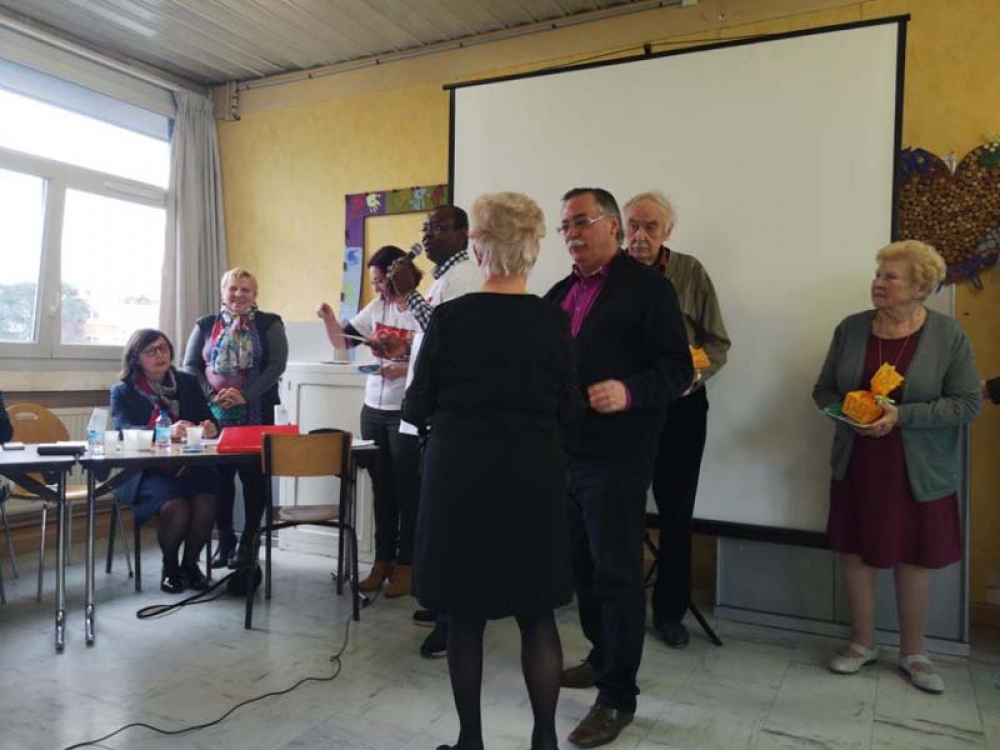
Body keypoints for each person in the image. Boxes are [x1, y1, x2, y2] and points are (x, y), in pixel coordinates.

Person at [403, 191, 580, 750]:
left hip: (460, 477)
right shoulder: (554, 321)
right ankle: (545, 740)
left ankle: (471, 742)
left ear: (477, 250)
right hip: (534, 477)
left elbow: (415, 406)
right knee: (537, 615)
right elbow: (570, 408)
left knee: (465, 616)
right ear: (533, 251)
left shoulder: (450, 319)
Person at [543, 187, 692, 747]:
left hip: (618, 455)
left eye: (581, 221)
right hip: (563, 452)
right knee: (580, 567)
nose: (572, 233)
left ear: (612, 225)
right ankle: (601, 656)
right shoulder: (559, 293)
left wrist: (629, 392)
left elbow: (678, 369)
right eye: (564, 225)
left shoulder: (648, 288)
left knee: (616, 574)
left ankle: (617, 696)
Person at [813, 239, 980, 694]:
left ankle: (914, 653)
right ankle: (861, 644)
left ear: (920, 287)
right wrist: (850, 414)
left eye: (890, 277)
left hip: (918, 469)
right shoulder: (851, 329)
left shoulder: (948, 335)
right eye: (878, 274)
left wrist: (900, 417)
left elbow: (967, 403)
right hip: (859, 461)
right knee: (856, 553)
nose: (878, 283)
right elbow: (823, 390)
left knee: (914, 557)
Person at [622, 191, 731, 648]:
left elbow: (717, 342)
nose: (639, 236)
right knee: (619, 507)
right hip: (624, 407)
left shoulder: (690, 272)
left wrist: (690, 378)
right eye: (633, 225)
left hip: (680, 406)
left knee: (676, 510)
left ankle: (669, 611)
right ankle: (620, 605)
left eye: (651, 226)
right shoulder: (609, 274)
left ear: (668, 231)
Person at [388, 204, 482, 658]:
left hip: (447, 417)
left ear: (464, 233)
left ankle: (451, 619)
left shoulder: (464, 276)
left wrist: (409, 294)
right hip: (428, 412)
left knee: (447, 520)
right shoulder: (445, 277)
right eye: (425, 228)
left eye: (440, 228)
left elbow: (448, 337)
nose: (428, 235)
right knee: (431, 513)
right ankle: (442, 602)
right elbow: (428, 335)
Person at [316, 245, 421, 598]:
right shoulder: (376, 308)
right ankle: (382, 561)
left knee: (408, 489)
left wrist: (402, 369)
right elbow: (342, 342)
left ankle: (407, 564)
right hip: (373, 410)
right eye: (373, 281)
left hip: (405, 411)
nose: (376, 287)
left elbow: (432, 357)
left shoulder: (421, 309)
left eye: (380, 280)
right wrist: (329, 318)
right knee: (382, 489)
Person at [182, 268, 287, 570]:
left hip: (257, 412)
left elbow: (276, 365)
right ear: (223, 292)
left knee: (254, 479)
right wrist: (211, 396)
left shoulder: (270, 323)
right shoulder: (205, 324)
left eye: (245, 289)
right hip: (214, 416)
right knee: (220, 480)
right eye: (233, 288)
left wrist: (245, 395)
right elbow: (190, 365)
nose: (238, 294)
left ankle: (249, 542)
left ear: (255, 295)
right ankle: (225, 540)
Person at [111, 329, 220, 594]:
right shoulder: (123, 391)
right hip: (145, 472)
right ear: (136, 358)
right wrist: (164, 432)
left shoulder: (187, 383)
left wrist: (210, 428)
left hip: (189, 466)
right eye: (151, 351)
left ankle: (190, 565)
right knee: (176, 506)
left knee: (207, 501)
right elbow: (124, 431)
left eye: (164, 348)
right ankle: (170, 567)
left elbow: (210, 419)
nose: (160, 355)